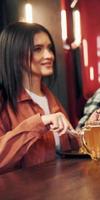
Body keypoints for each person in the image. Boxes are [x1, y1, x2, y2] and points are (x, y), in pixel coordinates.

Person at [0, 22, 79, 174]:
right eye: (37, 49)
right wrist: (39, 122)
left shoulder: (49, 96)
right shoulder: (4, 101)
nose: (49, 55)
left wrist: (90, 128)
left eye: (49, 48)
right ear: (15, 54)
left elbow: (68, 150)